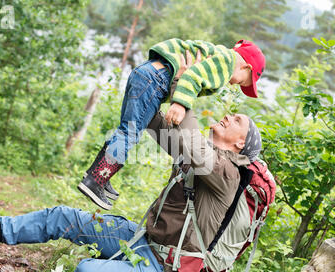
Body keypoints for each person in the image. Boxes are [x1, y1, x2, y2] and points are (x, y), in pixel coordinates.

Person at [0, 107, 262, 272]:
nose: (228, 116)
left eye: (237, 121)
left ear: (239, 144)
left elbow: (189, 139)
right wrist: (156, 84)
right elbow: (156, 126)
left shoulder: (227, 174)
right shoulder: (201, 155)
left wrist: (185, 96)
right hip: (142, 241)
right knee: (63, 216)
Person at [77, 38, 266, 210]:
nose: (236, 85)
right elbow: (193, 75)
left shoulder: (219, 54)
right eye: (243, 82)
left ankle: (98, 173)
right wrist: (180, 104)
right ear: (246, 68)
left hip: (146, 71)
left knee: (126, 130)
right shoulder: (226, 65)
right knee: (130, 134)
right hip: (156, 79)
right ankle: (96, 179)